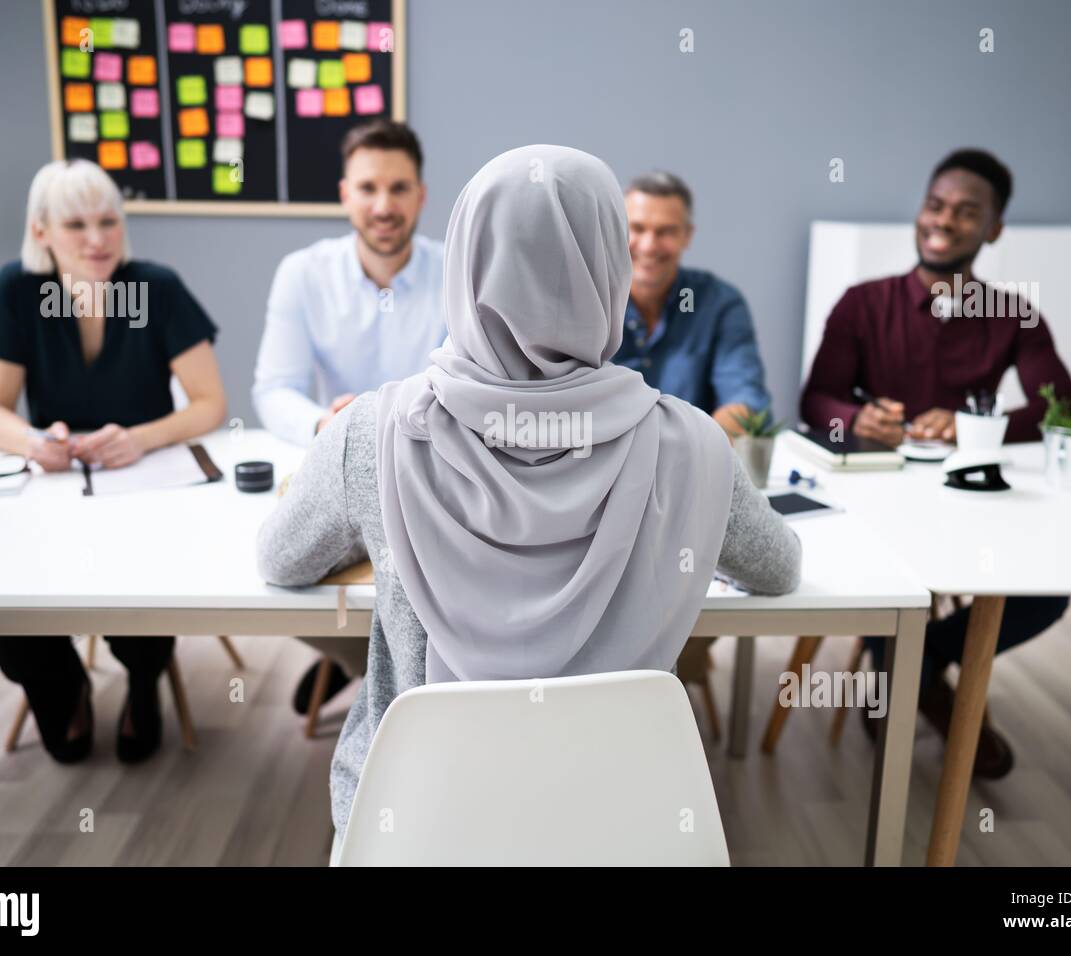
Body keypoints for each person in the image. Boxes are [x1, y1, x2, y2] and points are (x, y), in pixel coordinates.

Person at [256, 145, 803, 851]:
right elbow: (778, 568)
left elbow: (281, 558)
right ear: (610, 267)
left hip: (415, 828)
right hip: (624, 830)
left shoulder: (374, 430)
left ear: (465, 261)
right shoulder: (693, 444)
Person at [801, 148, 1071, 777]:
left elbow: (1062, 409)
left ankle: (911, 669)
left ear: (993, 229)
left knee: (1047, 594)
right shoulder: (861, 303)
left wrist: (979, 425)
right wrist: (853, 416)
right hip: (878, 498)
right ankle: (923, 682)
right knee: (882, 573)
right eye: (935, 205)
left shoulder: (1014, 315)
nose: (944, 221)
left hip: (973, 501)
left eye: (966, 212)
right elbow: (815, 400)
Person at [0, 159, 226, 764]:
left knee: (143, 603)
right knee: (13, 627)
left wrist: (143, 437)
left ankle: (142, 680)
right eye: (76, 224)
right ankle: (64, 687)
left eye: (109, 221)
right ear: (41, 232)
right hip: (52, 496)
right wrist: (33, 440)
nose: (97, 239)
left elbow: (212, 404)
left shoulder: (157, 288)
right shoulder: (16, 290)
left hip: (144, 491)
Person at [252, 120, 444, 715]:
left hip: (433, 469)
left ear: (421, 195)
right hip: (340, 467)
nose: (383, 206)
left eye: (399, 188)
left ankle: (372, 667)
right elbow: (273, 389)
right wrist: (323, 427)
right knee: (281, 569)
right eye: (368, 188)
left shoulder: (459, 270)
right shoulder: (302, 273)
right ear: (344, 194)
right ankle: (354, 657)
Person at [611, 171, 771, 438]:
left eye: (666, 232)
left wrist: (692, 451)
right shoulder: (585, 303)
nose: (649, 246)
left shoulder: (719, 303)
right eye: (637, 229)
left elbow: (745, 398)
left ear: (687, 235)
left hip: (693, 465)